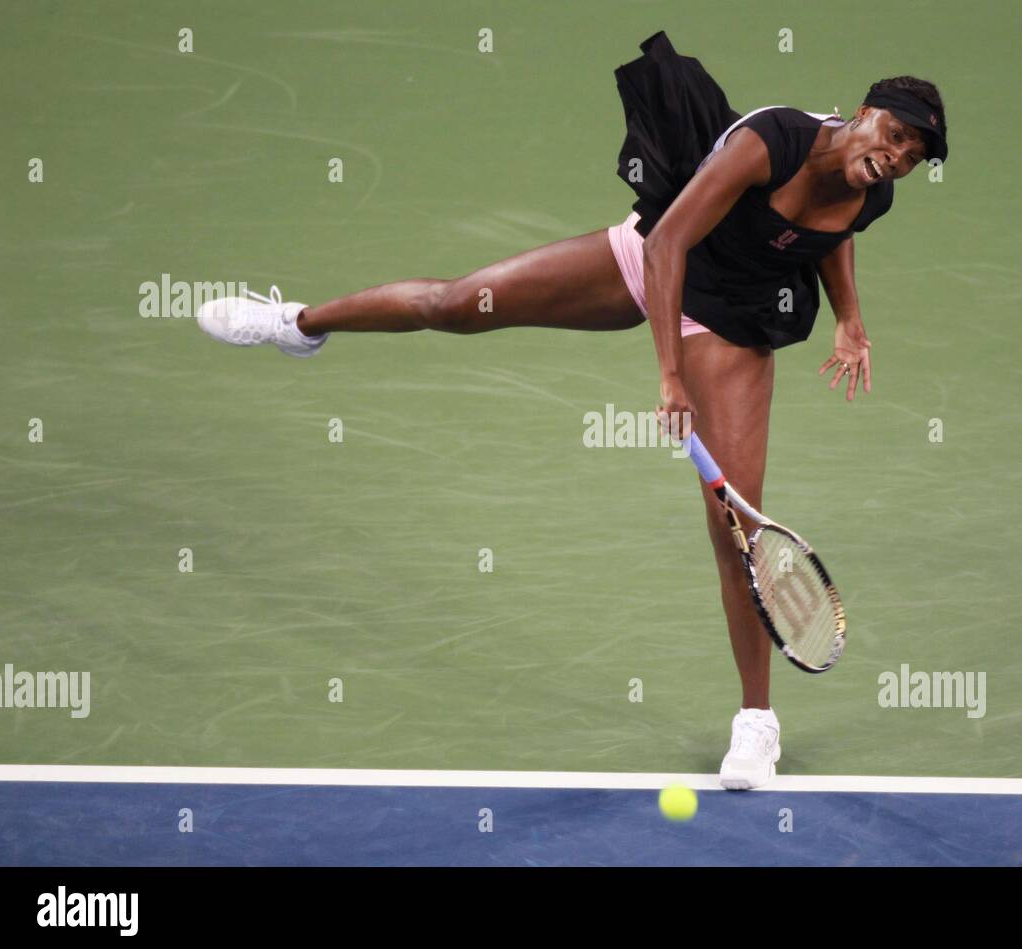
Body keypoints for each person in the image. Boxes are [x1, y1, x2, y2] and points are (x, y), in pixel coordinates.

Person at [196, 30, 949, 789]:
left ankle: (757, 723)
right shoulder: (769, 141)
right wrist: (668, 377)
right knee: (457, 303)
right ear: (862, 112)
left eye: (913, 156)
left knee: (739, 527)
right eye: (894, 136)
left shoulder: (870, 188)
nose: (897, 158)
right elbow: (667, 248)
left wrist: (850, 319)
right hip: (654, 262)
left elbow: (835, 232)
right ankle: (297, 325)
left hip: (731, 322)